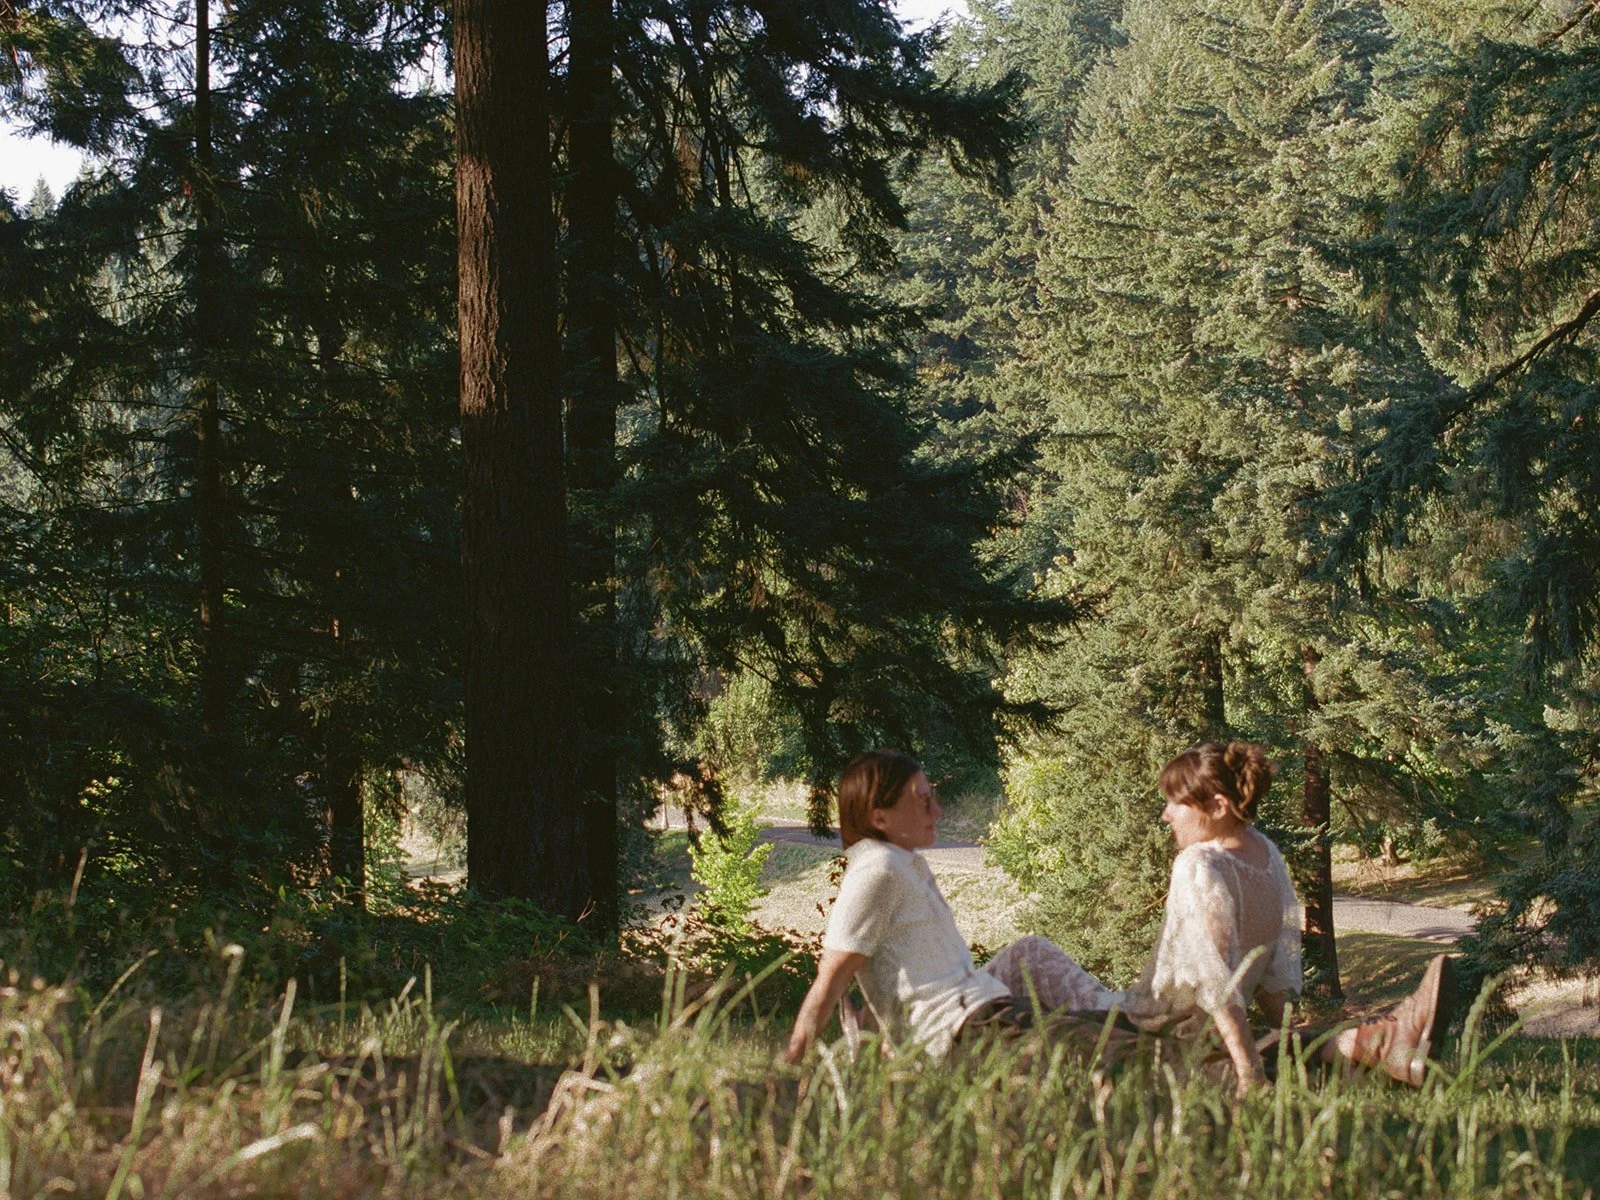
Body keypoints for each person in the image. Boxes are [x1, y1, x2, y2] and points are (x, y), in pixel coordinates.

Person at [785, 744, 1457, 1094]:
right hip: (980, 1028)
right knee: (1152, 1052)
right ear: (878, 813)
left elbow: (1229, 976)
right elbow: (836, 975)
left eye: (933, 798)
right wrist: (802, 1058)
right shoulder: (877, 866)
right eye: (923, 800)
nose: (937, 811)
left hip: (1001, 1017)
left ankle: (1374, 1046)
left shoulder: (900, 864)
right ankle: (1372, 1046)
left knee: (1159, 1050)